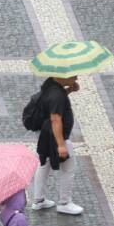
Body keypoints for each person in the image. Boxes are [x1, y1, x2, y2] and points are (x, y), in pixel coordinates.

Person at [32, 75, 83, 215]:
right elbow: (55, 119)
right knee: (69, 168)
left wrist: (69, 90)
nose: (76, 77)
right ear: (62, 77)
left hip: (45, 134)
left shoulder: (50, 85)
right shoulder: (57, 95)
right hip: (55, 137)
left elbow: (52, 103)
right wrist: (61, 145)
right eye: (73, 76)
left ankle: (38, 200)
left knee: (44, 164)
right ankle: (64, 203)